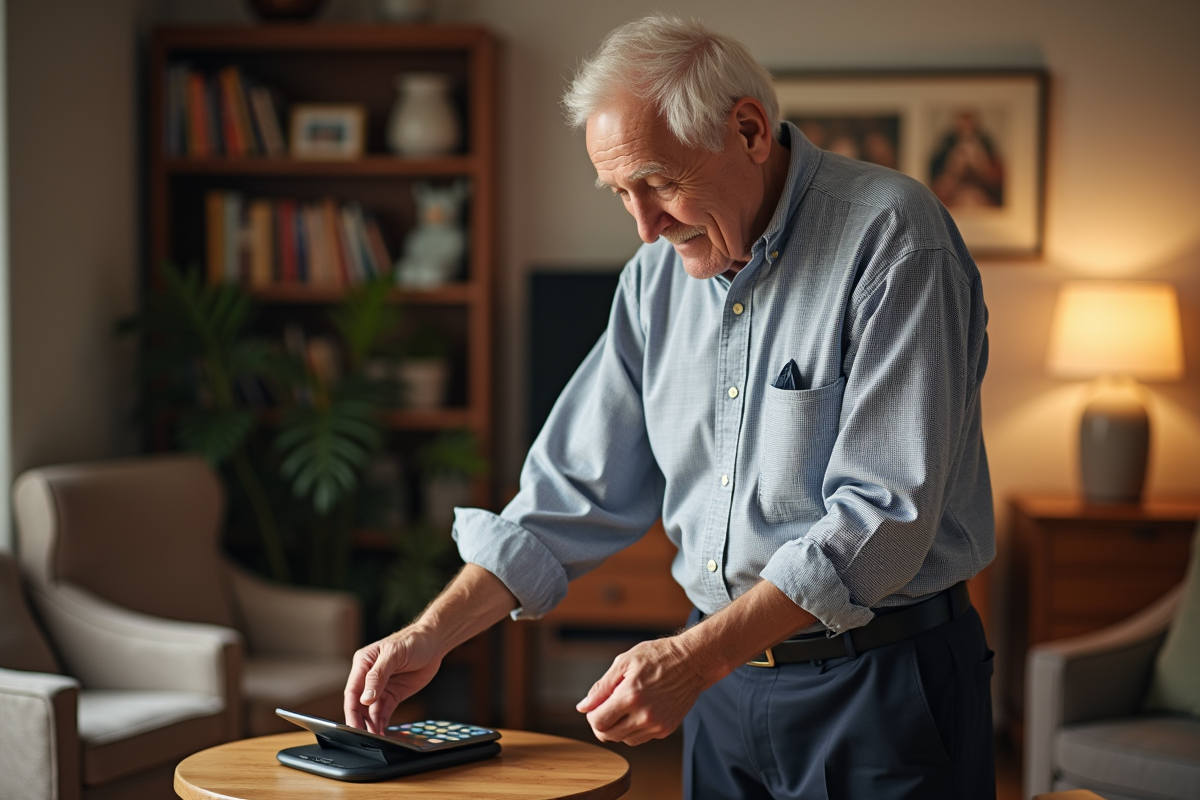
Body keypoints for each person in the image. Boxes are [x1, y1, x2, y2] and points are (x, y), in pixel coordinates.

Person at [345, 14, 995, 800]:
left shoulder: (894, 236)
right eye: (622, 192)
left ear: (749, 130)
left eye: (658, 181)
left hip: (880, 687)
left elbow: (882, 521)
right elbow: (567, 493)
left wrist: (695, 658)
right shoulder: (655, 280)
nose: (645, 225)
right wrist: (431, 632)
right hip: (723, 695)